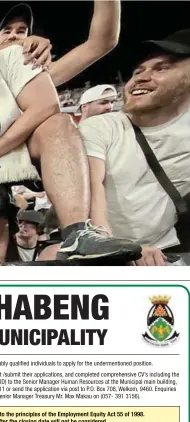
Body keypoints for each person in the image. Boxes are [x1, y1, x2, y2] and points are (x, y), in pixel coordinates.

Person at [0, 13, 140, 264]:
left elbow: (48, 106)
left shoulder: (13, 59)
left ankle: (77, 234)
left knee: (59, 124)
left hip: (9, 152)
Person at [78, 29, 190, 266]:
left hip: (166, 252)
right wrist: (115, 248)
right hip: (108, 253)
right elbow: (90, 191)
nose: (141, 77)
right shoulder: (103, 126)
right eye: (138, 71)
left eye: (161, 68)